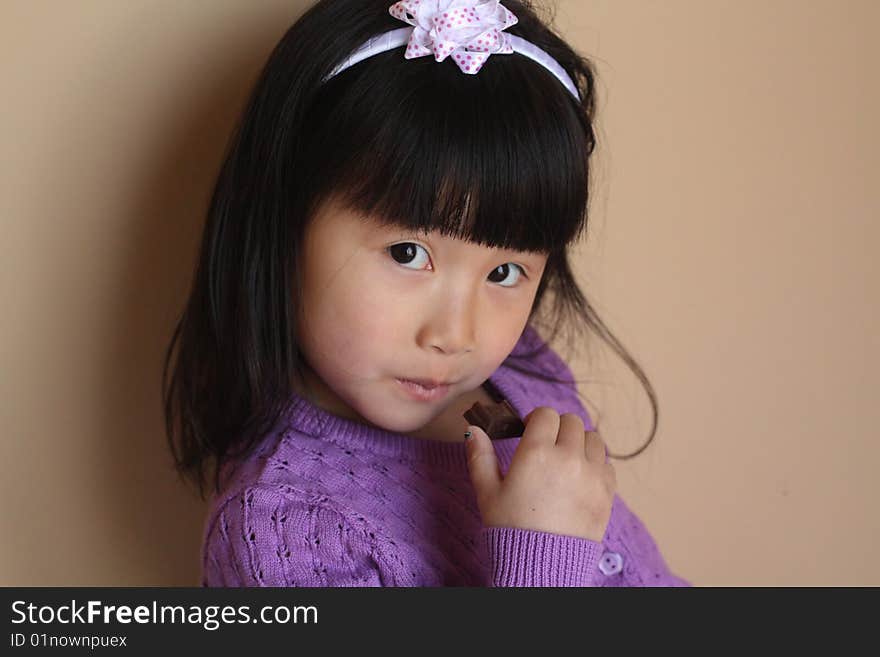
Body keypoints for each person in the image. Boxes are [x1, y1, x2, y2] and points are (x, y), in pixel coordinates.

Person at [163, 0, 691, 587]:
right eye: (409, 253)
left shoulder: (524, 371)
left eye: (504, 273)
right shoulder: (285, 532)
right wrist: (542, 559)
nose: (455, 336)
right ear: (283, 223)